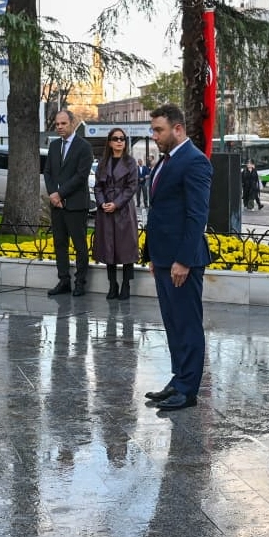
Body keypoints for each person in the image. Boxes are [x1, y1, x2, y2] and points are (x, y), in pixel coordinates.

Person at [141, 104, 212, 411]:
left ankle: (188, 389)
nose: (154, 136)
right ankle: (179, 378)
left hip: (183, 261)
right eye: (153, 130)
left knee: (187, 324)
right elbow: (160, 210)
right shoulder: (167, 160)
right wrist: (154, 256)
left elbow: (197, 216)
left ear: (178, 129)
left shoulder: (195, 161)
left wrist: (183, 260)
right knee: (173, 323)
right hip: (164, 258)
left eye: (159, 130)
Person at [44, 110, 93, 297]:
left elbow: (81, 176)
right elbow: (48, 172)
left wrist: (60, 193)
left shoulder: (84, 147)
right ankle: (63, 280)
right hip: (57, 205)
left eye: (63, 123)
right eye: (57, 124)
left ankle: (80, 282)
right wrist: (53, 194)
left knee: (80, 246)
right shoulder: (54, 146)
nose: (59, 127)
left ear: (72, 123)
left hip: (75, 204)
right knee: (60, 244)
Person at [94, 128, 140, 300]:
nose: (119, 141)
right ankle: (112, 285)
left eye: (122, 139)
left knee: (126, 248)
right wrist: (102, 203)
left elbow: (132, 187)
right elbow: (98, 187)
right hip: (106, 209)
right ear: (110, 142)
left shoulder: (130, 162)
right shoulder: (103, 163)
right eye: (116, 138)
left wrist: (117, 203)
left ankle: (126, 284)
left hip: (124, 209)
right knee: (108, 248)